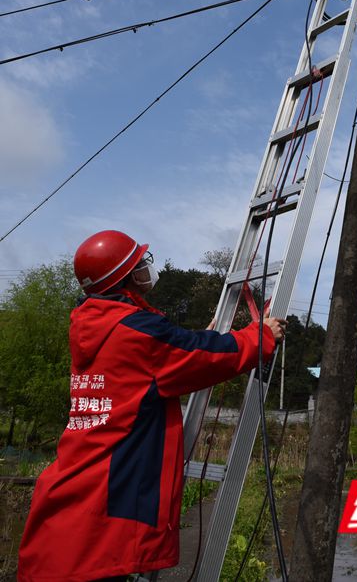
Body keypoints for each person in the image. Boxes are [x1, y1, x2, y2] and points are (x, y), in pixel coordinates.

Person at [18, 229, 287, 582]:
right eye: (140, 265)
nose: (148, 269)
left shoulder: (98, 325)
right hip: (104, 516)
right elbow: (201, 357)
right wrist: (262, 335)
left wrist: (195, 340)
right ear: (126, 278)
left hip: (68, 511)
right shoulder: (137, 332)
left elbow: (166, 353)